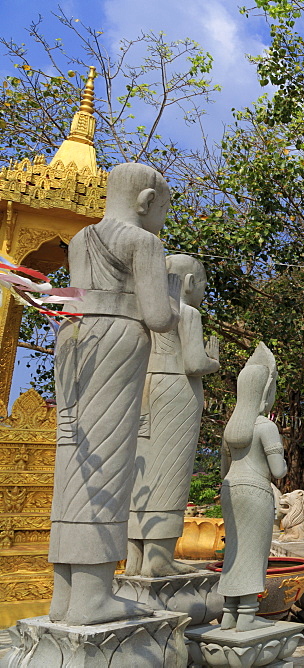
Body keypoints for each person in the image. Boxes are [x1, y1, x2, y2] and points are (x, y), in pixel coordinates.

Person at [49, 162, 178, 625]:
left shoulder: (81, 238)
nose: (161, 217)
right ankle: (92, 595)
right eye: (163, 208)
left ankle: (64, 594)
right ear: (146, 202)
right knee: (107, 460)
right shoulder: (144, 242)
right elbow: (158, 315)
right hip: (118, 340)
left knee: (75, 459)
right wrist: (179, 307)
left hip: (75, 334)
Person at [126, 254, 220, 577]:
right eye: (203, 285)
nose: (203, 292)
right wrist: (214, 360)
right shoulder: (186, 313)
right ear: (190, 283)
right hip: (176, 392)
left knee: (142, 470)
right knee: (170, 470)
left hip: (145, 389)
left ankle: (134, 558)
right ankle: (159, 559)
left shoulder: (147, 314)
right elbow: (194, 364)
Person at [219, 343, 288, 631]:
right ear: (264, 394)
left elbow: (223, 470)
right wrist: (280, 450)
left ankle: (228, 614)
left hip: (230, 488)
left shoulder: (231, 428)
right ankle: (247, 615)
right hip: (256, 491)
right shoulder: (264, 426)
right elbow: (279, 471)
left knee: (234, 549)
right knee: (254, 551)